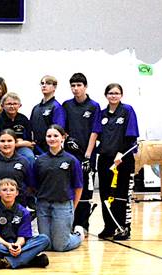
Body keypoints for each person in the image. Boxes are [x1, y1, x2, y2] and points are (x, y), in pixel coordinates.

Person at [92, 83, 139, 240]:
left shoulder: (127, 111)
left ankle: (123, 228)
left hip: (122, 160)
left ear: (121, 95)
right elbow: (96, 135)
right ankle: (109, 227)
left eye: (116, 93)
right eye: (110, 93)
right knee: (106, 195)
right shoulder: (102, 114)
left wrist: (121, 153)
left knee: (121, 195)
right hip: (105, 160)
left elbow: (131, 136)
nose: (113, 96)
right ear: (106, 95)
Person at [32, 125, 83, 252]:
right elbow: (34, 185)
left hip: (63, 205)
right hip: (43, 205)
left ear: (63, 138)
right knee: (47, 245)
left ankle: (78, 235)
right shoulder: (39, 161)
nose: (52, 139)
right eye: (49, 136)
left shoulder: (71, 160)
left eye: (56, 136)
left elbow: (78, 186)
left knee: (60, 246)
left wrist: (72, 207)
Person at [62, 73, 100, 238]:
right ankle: (69, 223)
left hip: (87, 156)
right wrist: (68, 140)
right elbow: (63, 129)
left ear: (85, 86)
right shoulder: (66, 105)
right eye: (73, 86)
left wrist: (87, 155)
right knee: (70, 190)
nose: (75, 89)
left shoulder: (94, 106)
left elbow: (95, 131)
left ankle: (83, 225)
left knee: (85, 191)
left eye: (78, 85)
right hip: (70, 157)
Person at [0, 178, 50, 270]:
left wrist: (17, 245)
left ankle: (6, 262)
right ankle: (29, 259)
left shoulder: (24, 212)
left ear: (17, 193)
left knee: (44, 239)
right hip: (2, 245)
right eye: (4, 190)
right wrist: (9, 246)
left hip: (20, 245)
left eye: (12, 190)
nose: (8, 193)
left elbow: (22, 237)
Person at [0, 129, 33, 209]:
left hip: (18, 206)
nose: (6, 144)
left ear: (15, 143)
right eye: (2, 141)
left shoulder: (24, 161)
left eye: (9, 141)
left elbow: (30, 185)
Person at [0, 92, 35, 165]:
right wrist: (18, 143)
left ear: (20, 105)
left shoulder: (24, 119)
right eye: (9, 104)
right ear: (2, 105)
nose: (12, 106)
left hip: (21, 149)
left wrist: (22, 144)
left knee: (30, 157)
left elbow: (29, 141)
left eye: (15, 104)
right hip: (2, 148)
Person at [30, 75, 65, 155]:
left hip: (50, 150)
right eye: (42, 83)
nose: (44, 85)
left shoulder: (56, 107)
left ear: (54, 87)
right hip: (36, 149)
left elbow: (58, 130)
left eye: (48, 83)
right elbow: (31, 128)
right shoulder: (36, 108)